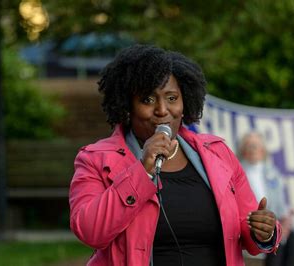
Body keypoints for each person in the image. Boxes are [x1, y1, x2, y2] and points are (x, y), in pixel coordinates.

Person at [69, 44, 282, 266]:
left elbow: (248, 230)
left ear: (185, 101)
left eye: (172, 98)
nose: (162, 110)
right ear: (127, 105)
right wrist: (142, 171)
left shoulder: (216, 153)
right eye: (148, 100)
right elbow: (90, 231)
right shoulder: (95, 159)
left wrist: (264, 232)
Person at [239, 132, 294, 266]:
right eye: (249, 146)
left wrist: (285, 218)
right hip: (251, 223)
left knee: (293, 238)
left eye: (255, 146)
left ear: (262, 150)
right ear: (243, 151)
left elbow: (280, 202)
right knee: (276, 239)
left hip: (274, 221)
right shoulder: (239, 171)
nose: (252, 149)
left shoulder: (272, 173)